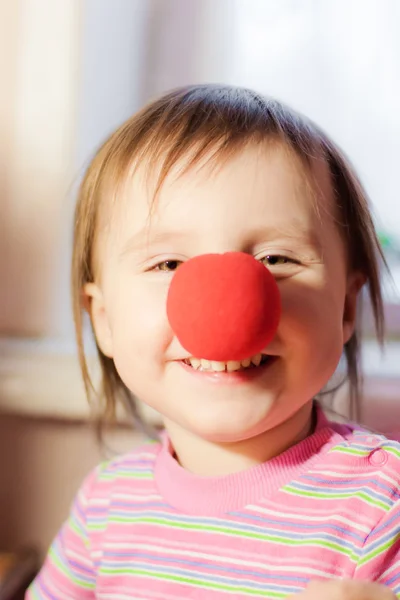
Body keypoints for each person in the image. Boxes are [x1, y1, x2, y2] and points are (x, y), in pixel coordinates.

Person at [27, 84, 400, 599]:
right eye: (169, 264)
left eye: (276, 260)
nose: (229, 305)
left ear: (345, 309)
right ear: (105, 319)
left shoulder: (385, 501)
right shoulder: (105, 507)